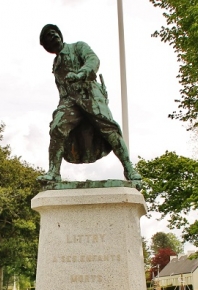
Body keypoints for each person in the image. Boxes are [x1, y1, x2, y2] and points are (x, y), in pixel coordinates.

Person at [38, 24, 141, 183]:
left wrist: (81, 73)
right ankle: (53, 172)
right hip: (70, 101)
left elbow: (93, 60)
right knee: (57, 128)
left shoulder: (78, 47)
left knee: (109, 129)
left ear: (60, 35)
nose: (52, 37)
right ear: (47, 47)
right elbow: (62, 90)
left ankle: (129, 168)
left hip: (89, 94)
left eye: (53, 33)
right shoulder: (56, 65)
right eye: (48, 38)